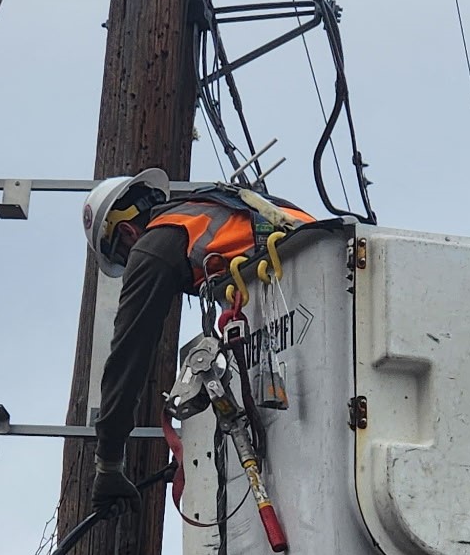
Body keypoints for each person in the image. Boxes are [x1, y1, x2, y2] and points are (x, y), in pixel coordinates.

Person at [82, 169, 310, 512]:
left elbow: (128, 355)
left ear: (128, 232)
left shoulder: (154, 245)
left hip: (303, 281)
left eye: (121, 258)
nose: (130, 265)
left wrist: (109, 463)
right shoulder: (208, 212)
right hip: (318, 269)